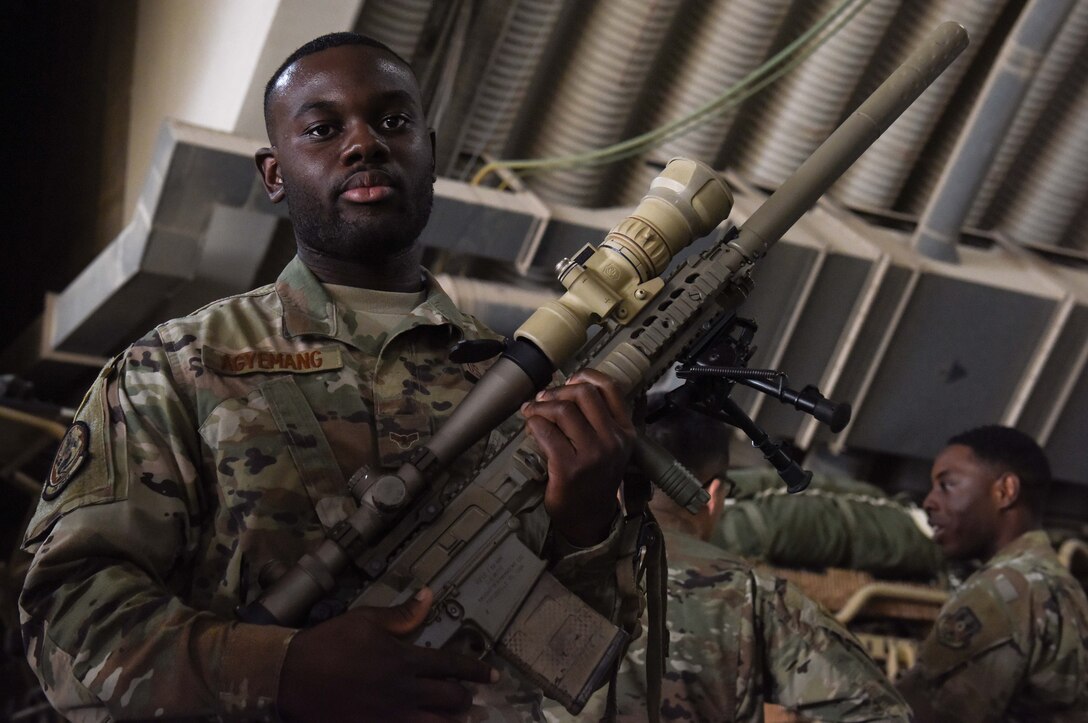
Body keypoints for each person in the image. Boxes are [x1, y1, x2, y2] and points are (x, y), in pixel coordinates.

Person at [19, 32, 642, 722]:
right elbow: (67, 620)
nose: (364, 143)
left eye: (393, 121)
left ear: (430, 152)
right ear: (274, 173)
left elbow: (590, 670)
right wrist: (282, 669)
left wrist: (586, 525)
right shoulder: (177, 368)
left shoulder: (523, 383)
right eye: (322, 129)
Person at [545, 404, 911, 722]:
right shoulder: (753, 597)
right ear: (714, 495)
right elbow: (881, 714)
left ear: (616, 485)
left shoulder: (546, 564)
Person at [896, 425, 1088, 722]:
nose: (929, 502)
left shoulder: (998, 594)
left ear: (1005, 491)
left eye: (947, 485)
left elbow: (925, 716)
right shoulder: (1065, 587)